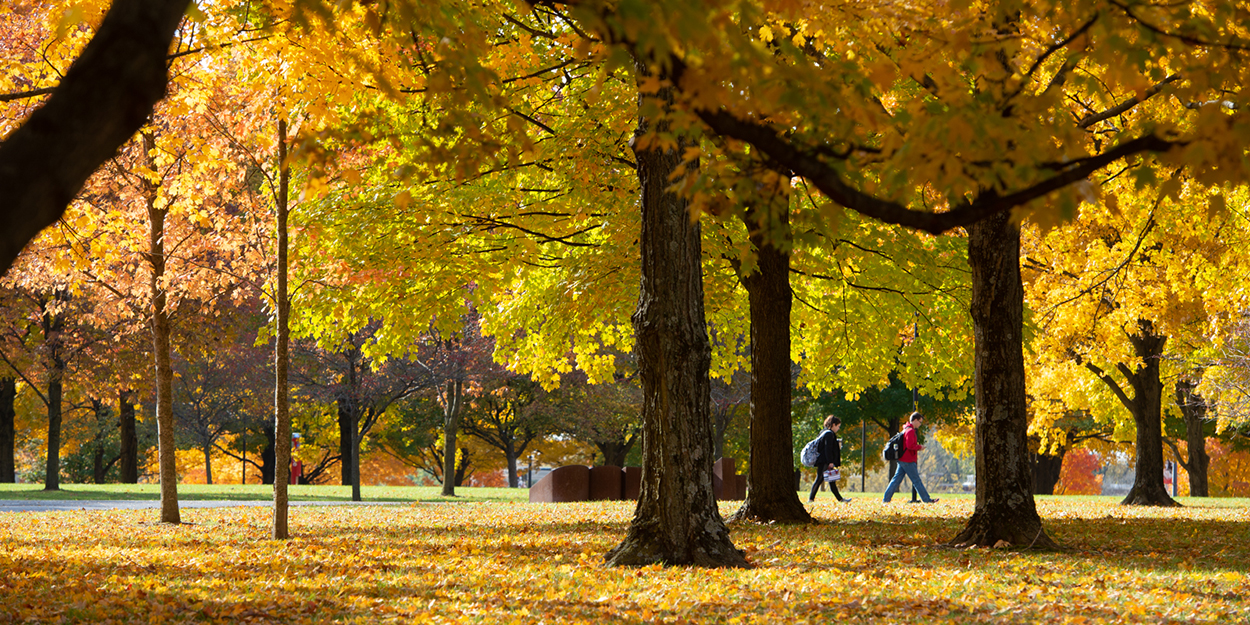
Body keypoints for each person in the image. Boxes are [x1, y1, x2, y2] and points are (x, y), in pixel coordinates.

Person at [883, 412, 938, 503]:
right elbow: (910, 446)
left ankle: (886, 499)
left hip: (903, 459)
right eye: (920, 422)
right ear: (915, 420)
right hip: (908, 460)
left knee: (896, 480)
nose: (920, 424)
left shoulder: (906, 429)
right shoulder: (910, 431)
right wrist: (919, 447)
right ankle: (927, 500)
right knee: (916, 481)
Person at [808, 415, 850, 503]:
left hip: (823, 460)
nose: (838, 428)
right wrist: (830, 461)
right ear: (833, 424)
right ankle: (811, 499)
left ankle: (840, 499)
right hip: (825, 461)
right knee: (819, 479)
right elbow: (828, 449)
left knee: (831, 480)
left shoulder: (823, 432)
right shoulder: (829, 434)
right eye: (838, 426)